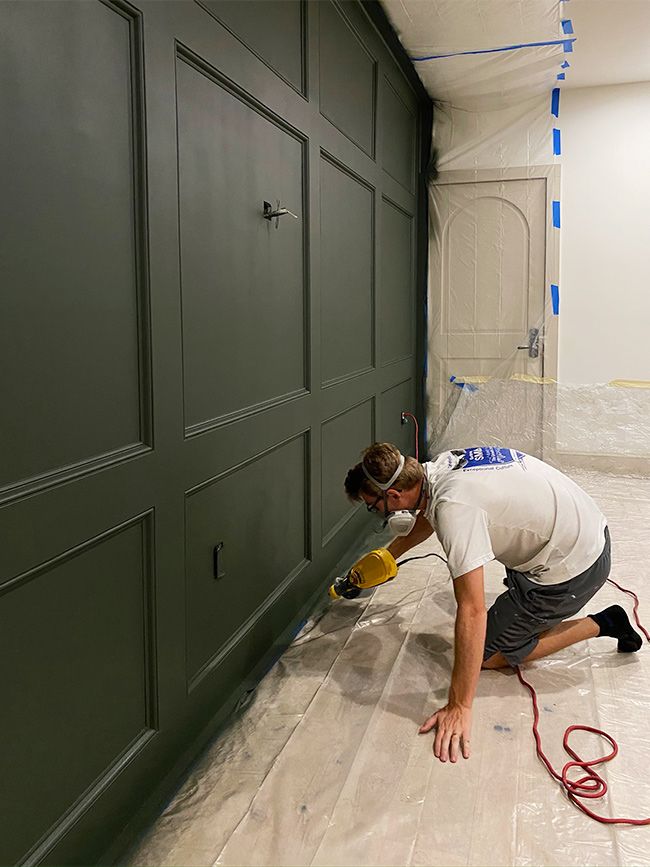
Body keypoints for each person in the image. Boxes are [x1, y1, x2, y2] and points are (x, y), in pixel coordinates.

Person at [344, 443, 643, 765]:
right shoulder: (443, 467)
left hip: (573, 568)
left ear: (394, 496)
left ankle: (605, 622)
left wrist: (460, 705)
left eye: (373, 507)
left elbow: (471, 609)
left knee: (488, 656)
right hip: (581, 528)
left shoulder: (454, 507)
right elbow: (430, 513)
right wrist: (388, 557)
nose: (378, 514)